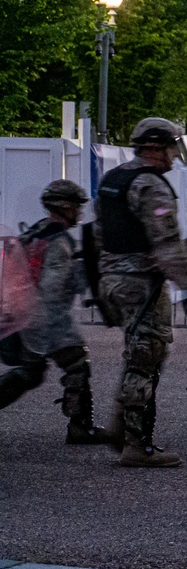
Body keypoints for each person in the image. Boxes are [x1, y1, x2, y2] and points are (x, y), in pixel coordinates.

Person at [96, 117, 187, 467]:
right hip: (142, 283)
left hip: (113, 278)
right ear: (156, 147)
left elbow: (99, 233)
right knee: (146, 356)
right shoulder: (152, 186)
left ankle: (120, 424)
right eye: (172, 147)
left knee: (139, 353)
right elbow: (167, 246)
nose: (175, 156)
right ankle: (136, 443)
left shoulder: (114, 179)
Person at [0, 180, 114, 444]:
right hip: (45, 316)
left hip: (22, 311)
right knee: (76, 363)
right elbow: (53, 288)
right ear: (65, 207)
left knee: (31, 373)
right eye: (76, 207)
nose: (79, 212)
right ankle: (80, 427)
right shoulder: (60, 241)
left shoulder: (35, 231)